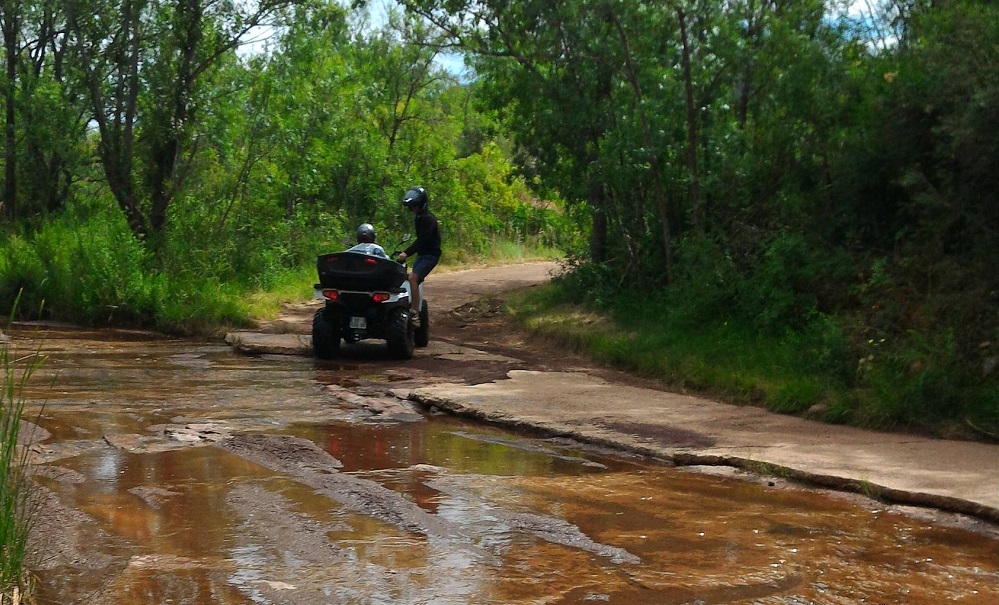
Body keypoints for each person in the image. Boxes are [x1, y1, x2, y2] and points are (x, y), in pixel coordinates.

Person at [396, 186, 440, 326]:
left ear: (421, 205)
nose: (413, 209)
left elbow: (423, 240)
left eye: (415, 206)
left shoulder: (429, 220)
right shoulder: (419, 218)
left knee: (413, 278)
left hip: (430, 255)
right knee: (412, 280)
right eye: (411, 207)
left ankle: (414, 313)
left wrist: (407, 253)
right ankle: (414, 305)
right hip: (422, 254)